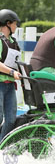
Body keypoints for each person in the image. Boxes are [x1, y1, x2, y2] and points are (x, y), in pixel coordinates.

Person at [0, 9, 22, 141]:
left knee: (11, 119)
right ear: (8, 23)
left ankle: (1, 147)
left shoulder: (14, 42)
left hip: (10, 86)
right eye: (15, 24)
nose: (16, 26)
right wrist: (12, 72)